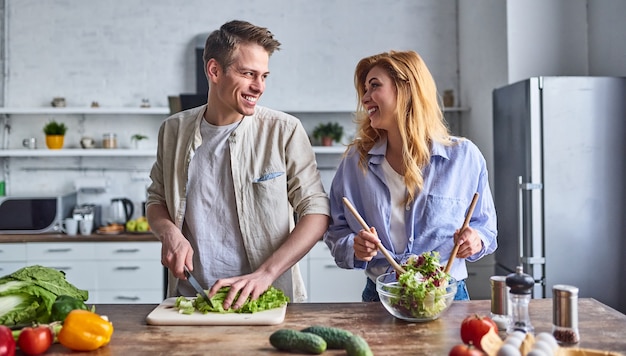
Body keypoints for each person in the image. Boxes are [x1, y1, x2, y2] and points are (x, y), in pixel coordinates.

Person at [146, 20, 329, 310]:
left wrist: (265, 274)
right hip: (193, 299)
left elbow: (316, 211)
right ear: (215, 71)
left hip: (267, 300)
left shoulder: (284, 130)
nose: (259, 87)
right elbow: (156, 200)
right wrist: (169, 232)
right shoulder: (172, 131)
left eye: (264, 76)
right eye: (248, 74)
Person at [323, 50, 497, 301]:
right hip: (381, 298)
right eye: (364, 89)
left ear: (406, 89)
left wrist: (476, 240)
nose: (365, 97)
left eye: (374, 86)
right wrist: (354, 246)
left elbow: (486, 227)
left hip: (446, 297)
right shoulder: (355, 162)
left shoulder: (464, 157)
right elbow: (335, 230)